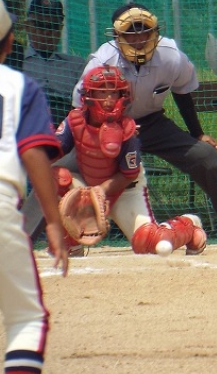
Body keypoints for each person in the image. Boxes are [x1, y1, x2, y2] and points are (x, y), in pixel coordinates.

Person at [73, 2, 217, 251]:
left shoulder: (170, 54)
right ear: (117, 36)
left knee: (209, 159)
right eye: (130, 33)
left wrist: (198, 134)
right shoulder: (102, 61)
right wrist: (93, 139)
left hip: (152, 123)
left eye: (144, 31)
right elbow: (80, 106)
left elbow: (182, 91)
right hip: (108, 128)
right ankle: (63, 235)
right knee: (64, 169)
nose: (139, 39)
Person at [52, 65, 207, 257]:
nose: (109, 100)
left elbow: (129, 174)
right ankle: (71, 241)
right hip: (88, 186)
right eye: (102, 92)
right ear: (88, 95)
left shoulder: (127, 129)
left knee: (148, 242)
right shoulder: (75, 120)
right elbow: (53, 151)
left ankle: (188, 225)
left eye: (113, 93)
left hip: (125, 190)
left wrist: (101, 191)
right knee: (57, 177)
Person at [0, 0, 69, 374]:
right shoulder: (18, 86)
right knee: (26, 319)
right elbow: (33, 152)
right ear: (11, 43)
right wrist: (54, 222)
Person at [22, 0, 86, 123]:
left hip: (66, 126)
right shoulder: (15, 62)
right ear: (27, 26)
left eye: (53, 26)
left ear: (60, 28)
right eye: (40, 25)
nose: (47, 32)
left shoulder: (76, 65)